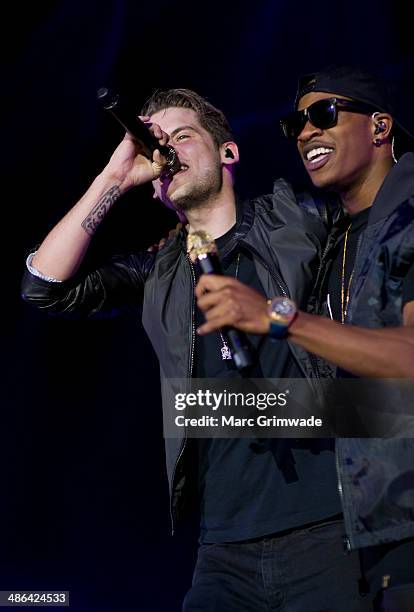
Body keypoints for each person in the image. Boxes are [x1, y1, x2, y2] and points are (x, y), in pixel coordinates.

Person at [21, 89, 355, 611]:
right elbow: (44, 286)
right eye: (160, 146)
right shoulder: (158, 270)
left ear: (228, 153)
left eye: (182, 137)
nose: (168, 153)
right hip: (223, 548)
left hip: (329, 528)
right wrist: (113, 177)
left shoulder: (298, 219)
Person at [195, 66, 414, 610]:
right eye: (296, 123)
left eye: (323, 115)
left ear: (380, 127)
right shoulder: (331, 235)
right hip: (364, 533)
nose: (305, 132)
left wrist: (279, 316)